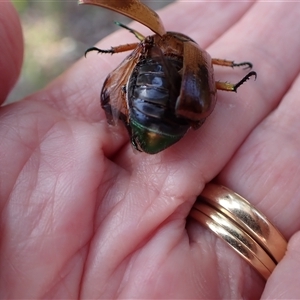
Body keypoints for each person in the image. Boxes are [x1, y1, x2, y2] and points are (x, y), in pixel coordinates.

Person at [1, 1, 300, 298]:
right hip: (170, 119)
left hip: (153, 113)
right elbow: (207, 74)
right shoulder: (196, 57)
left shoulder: (158, 45)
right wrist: (231, 76)